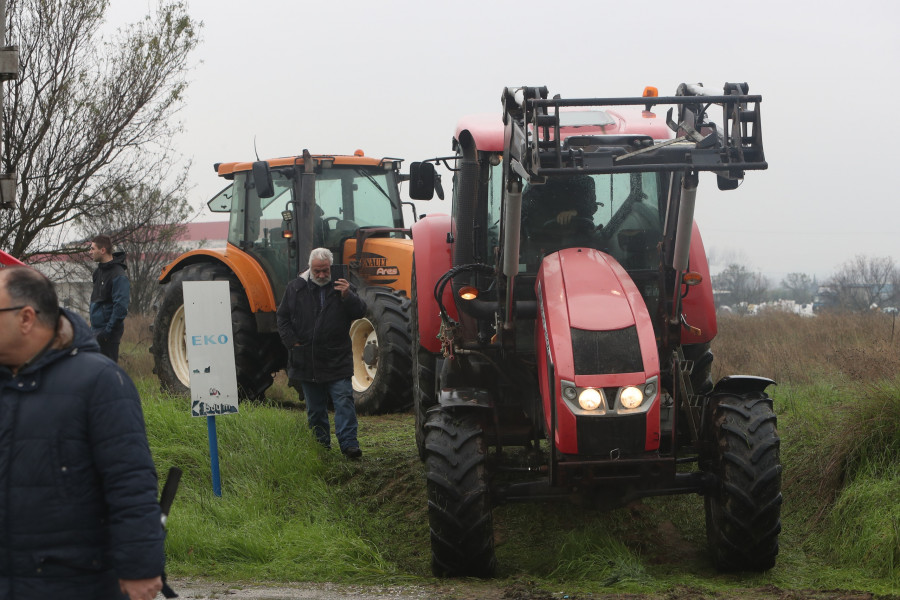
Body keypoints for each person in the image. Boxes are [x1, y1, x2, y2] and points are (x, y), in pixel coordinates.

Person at [0, 266, 164, 600]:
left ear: (26, 318)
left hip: (72, 583)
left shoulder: (99, 381)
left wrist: (140, 567)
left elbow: (129, 482)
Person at [276, 248, 366, 459]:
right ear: (310, 268)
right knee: (315, 409)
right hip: (306, 359)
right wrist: (292, 342)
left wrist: (347, 296)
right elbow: (282, 318)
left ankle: (349, 445)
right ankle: (321, 447)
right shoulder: (295, 288)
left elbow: (361, 311)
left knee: (343, 400)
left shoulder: (343, 287)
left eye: (325, 271)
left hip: (337, 358)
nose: (322, 275)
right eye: (317, 271)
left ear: (331, 268)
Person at [88, 234, 131, 362]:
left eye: (92, 249)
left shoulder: (118, 274)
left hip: (108, 335)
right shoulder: (97, 273)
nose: (90, 252)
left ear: (102, 250)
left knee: (108, 374)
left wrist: (107, 332)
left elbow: (121, 307)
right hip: (95, 332)